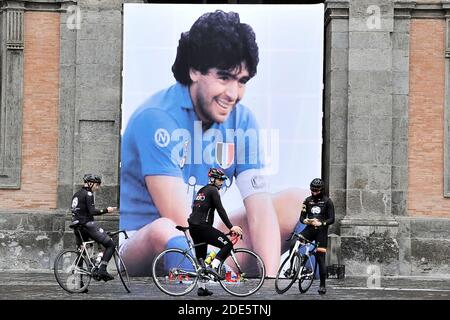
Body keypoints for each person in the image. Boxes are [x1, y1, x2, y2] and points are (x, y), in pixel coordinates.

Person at [119, 9, 308, 277]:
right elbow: (179, 220)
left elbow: (260, 209)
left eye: (241, 81)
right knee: (166, 228)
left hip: (200, 241)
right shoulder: (156, 118)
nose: (233, 94)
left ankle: (222, 274)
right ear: (194, 70)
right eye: (224, 77)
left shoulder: (242, 120)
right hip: (143, 244)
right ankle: (202, 284)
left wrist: (269, 282)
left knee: (297, 203)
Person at [188, 168, 243, 296]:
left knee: (201, 259)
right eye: (220, 180)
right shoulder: (213, 190)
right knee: (227, 244)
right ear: (213, 179)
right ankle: (213, 266)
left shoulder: (201, 191)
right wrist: (231, 227)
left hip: (193, 228)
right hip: (203, 227)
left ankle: (201, 288)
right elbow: (220, 210)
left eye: (222, 180)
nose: (222, 182)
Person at [71, 174, 117, 283]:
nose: (98, 188)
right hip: (87, 225)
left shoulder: (76, 194)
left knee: (82, 253)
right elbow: (92, 212)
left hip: (77, 227)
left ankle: (79, 284)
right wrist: (107, 210)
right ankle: (103, 269)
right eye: (97, 185)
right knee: (110, 244)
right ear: (90, 183)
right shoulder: (88, 193)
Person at [296, 178, 335, 295]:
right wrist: (306, 221)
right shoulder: (307, 201)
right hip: (310, 230)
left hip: (321, 232)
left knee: (320, 258)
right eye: (312, 190)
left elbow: (332, 219)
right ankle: (296, 264)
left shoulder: (328, 202)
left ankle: (322, 285)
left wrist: (321, 223)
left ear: (321, 190)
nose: (314, 192)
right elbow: (301, 218)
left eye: (316, 190)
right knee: (295, 242)